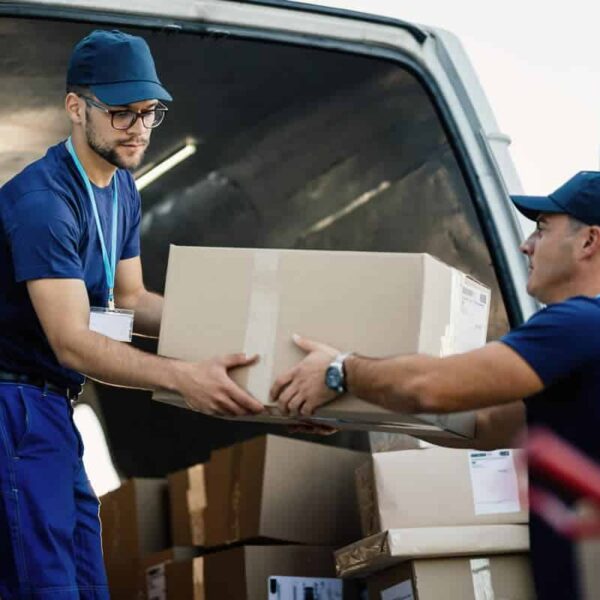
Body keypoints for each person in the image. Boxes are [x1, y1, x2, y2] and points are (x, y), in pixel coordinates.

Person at [0, 29, 263, 599]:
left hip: (53, 411)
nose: (139, 127)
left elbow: (134, 299)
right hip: (13, 408)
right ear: (76, 107)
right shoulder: (43, 202)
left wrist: (248, 343)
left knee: (88, 585)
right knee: (41, 586)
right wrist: (183, 378)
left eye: (149, 112)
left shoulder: (121, 187)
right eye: (121, 113)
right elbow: (72, 341)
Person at [271, 171, 600, 600]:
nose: (526, 245)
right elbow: (482, 425)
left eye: (542, 228)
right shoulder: (581, 347)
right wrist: (351, 405)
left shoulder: (581, 323)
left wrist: (340, 370)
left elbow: (431, 387)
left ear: (589, 241)